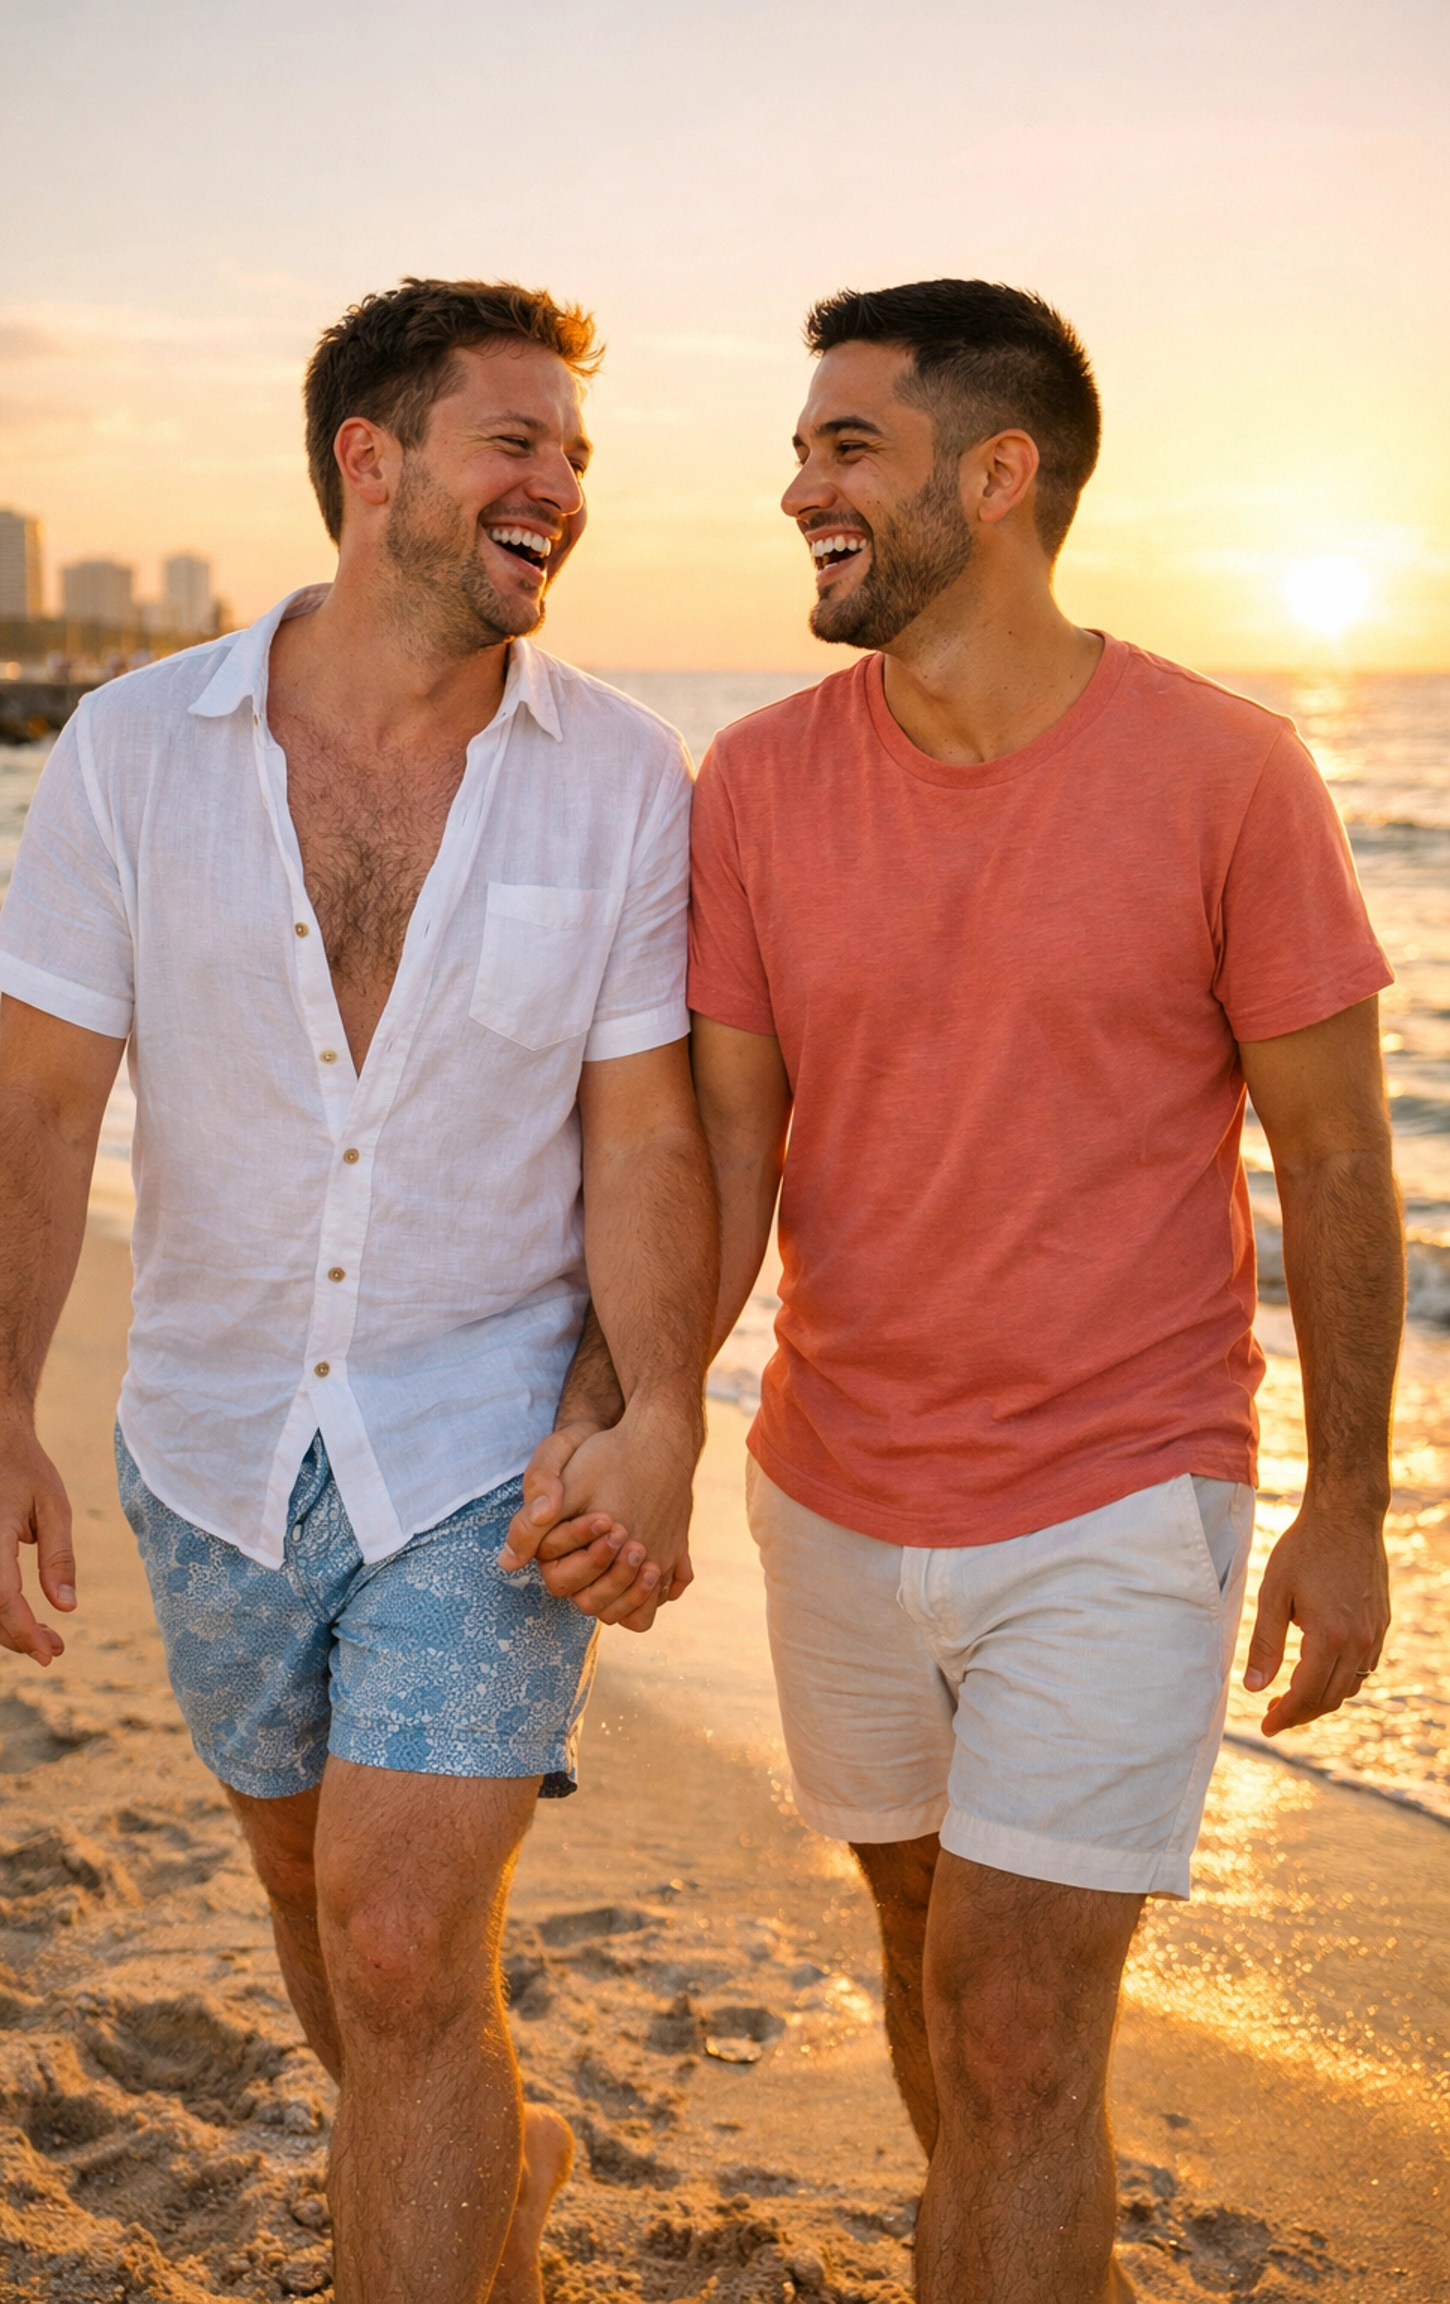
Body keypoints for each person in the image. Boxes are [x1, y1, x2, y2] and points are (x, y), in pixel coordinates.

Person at [539, 278, 1402, 2304]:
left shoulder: (1232, 772)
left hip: (1121, 1491)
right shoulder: (754, 783)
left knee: (1015, 2020)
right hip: (834, 1491)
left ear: (996, 477)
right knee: (940, 1976)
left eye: (847, 447)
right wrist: (647, 1413)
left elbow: (1340, 1162)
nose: (796, 490)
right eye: (801, 446)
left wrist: (1347, 1508)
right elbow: (729, 1153)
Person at [0, 277, 717, 2304]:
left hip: (486, 1440)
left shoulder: (622, 775)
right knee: (332, 1920)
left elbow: (645, 1137)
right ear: (371, 463)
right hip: (208, 1443)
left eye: (577, 454)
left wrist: (654, 1414)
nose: (559, 485)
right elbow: (32, 1110)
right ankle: (489, 2148)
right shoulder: (134, 750)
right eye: (516, 441)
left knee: (390, 1929)